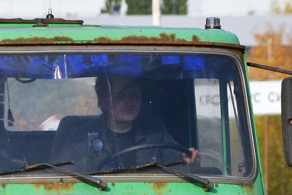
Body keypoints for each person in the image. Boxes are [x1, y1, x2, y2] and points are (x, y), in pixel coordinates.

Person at [50, 74, 199, 173]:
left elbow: (174, 158)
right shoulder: (81, 137)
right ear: (105, 102)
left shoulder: (155, 132)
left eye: (134, 95)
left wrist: (185, 158)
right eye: (121, 95)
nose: (130, 102)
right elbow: (60, 175)